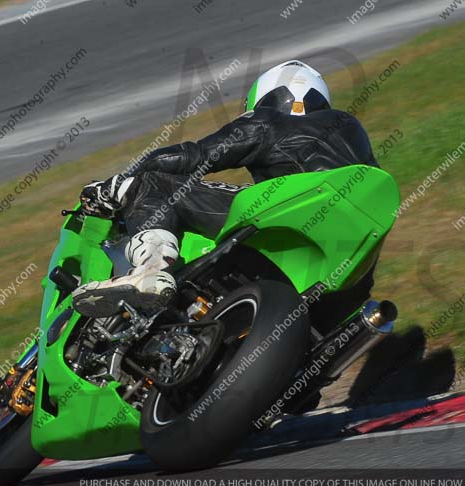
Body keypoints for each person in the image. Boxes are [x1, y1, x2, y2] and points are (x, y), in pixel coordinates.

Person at [72, 60, 379, 318]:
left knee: (153, 184)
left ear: (265, 100)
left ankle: (150, 270)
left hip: (288, 223)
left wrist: (122, 183)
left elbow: (194, 156)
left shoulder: (269, 121)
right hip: (350, 282)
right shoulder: (352, 131)